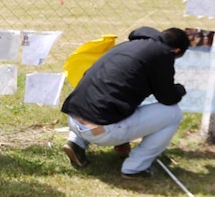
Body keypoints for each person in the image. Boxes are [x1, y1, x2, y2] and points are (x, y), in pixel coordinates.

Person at [61, 27, 189, 179]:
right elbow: (167, 98)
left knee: (107, 97)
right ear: (176, 51)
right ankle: (135, 168)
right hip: (101, 131)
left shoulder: (128, 46)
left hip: (73, 118)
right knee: (173, 113)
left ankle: (77, 143)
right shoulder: (162, 53)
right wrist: (180, 89)